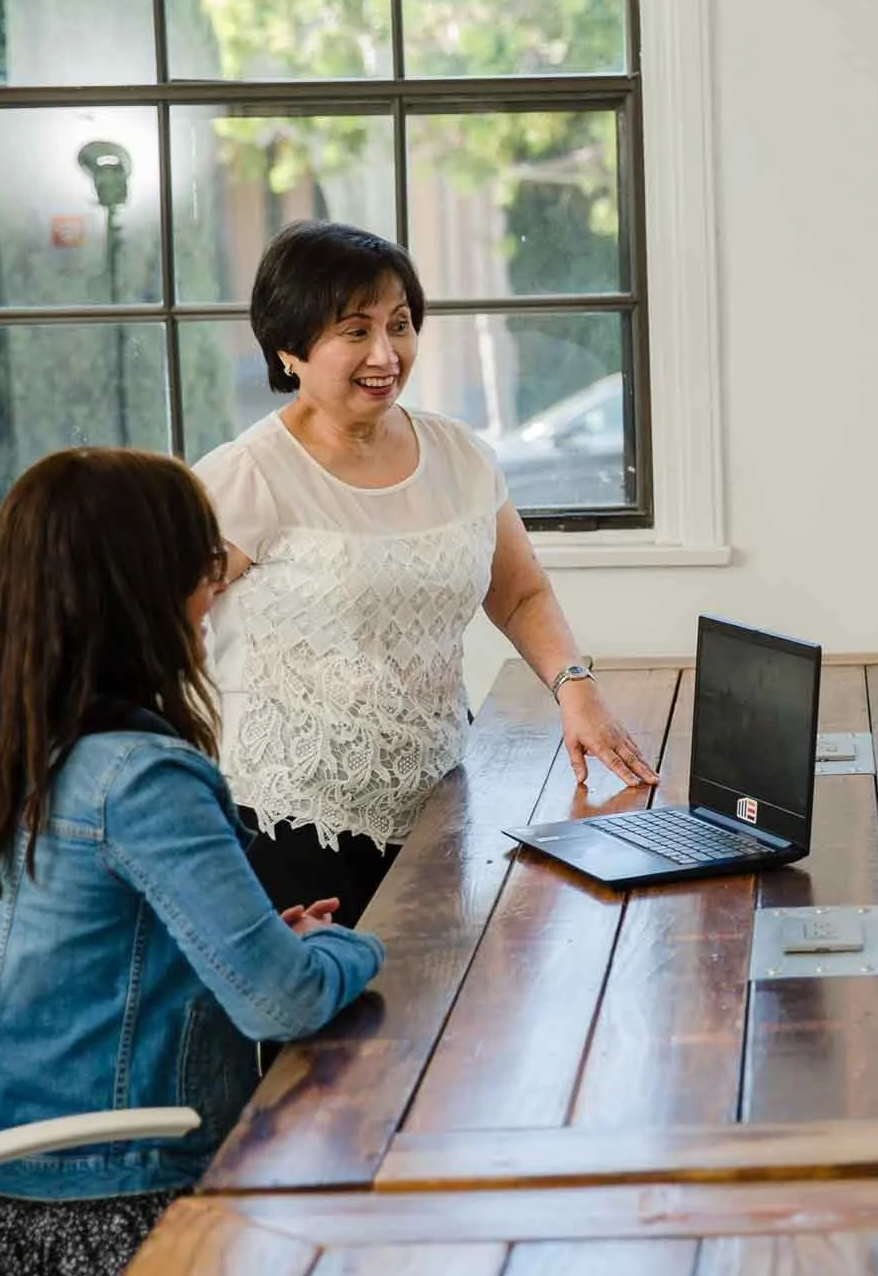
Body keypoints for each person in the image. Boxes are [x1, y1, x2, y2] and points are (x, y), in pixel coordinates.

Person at [0, 448, 385, 1276]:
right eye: (202, 568)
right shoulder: (143, 777)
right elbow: (280, 1004)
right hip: (109, 1209)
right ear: (141, 591)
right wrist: (345, 946)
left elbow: (75, 957)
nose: (215, 592)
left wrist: (252, 936)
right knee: (376, 1250)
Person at [195, 221, 656, 927]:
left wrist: (575, 687)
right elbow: (154, 618)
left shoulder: (461, 456)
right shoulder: (248, 475)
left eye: (400, 325)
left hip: (440, 797)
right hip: (288, 819)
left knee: (439, 1020)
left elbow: (520, 590)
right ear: (289, 348)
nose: (386, 354)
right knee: (335, 1033)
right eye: (355, 331)